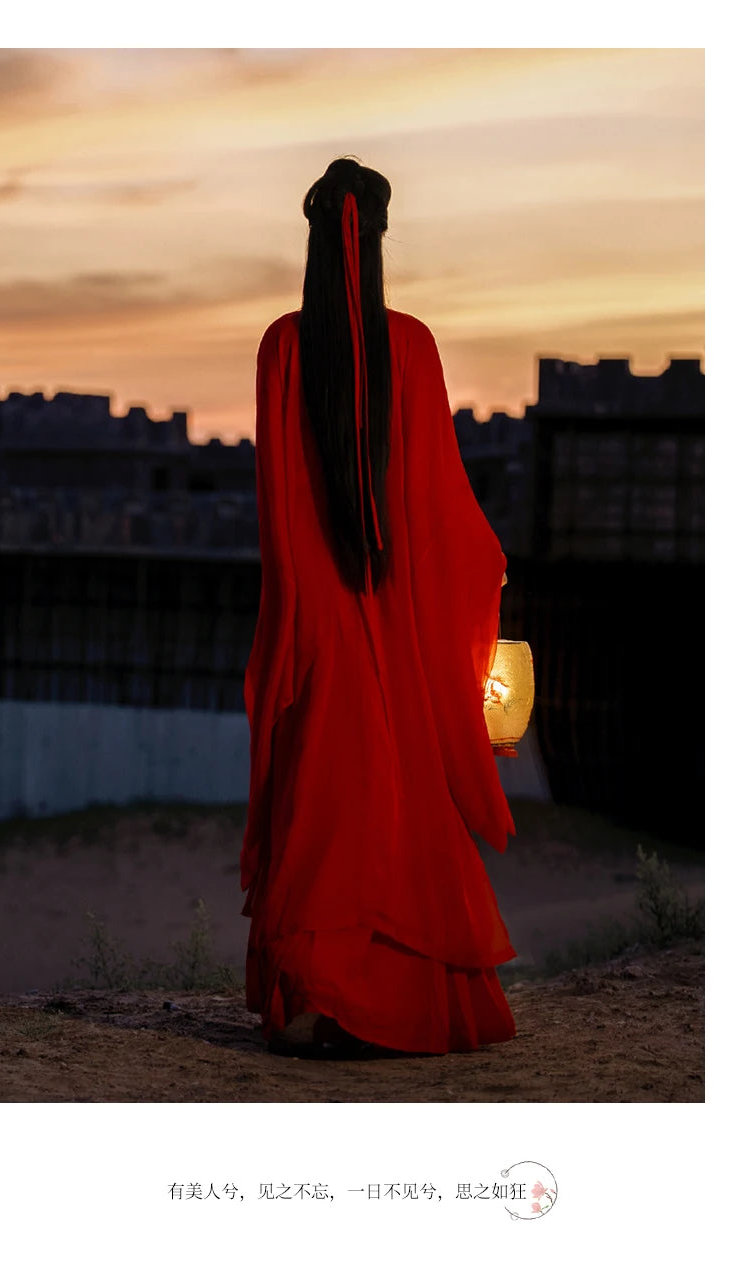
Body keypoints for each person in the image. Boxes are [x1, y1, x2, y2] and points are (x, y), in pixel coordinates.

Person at [240, 156, 518, 1060]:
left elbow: (280, 515)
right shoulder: (417, 345)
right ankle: (386, 1000)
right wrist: (481, 579)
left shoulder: (282, 345)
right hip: (393, 614)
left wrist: (293, 627)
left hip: (319, 614)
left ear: (313, 235)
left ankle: (324, 1000)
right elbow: (439, 509)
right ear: (380, 238)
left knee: (327, 798)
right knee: (394, 798)